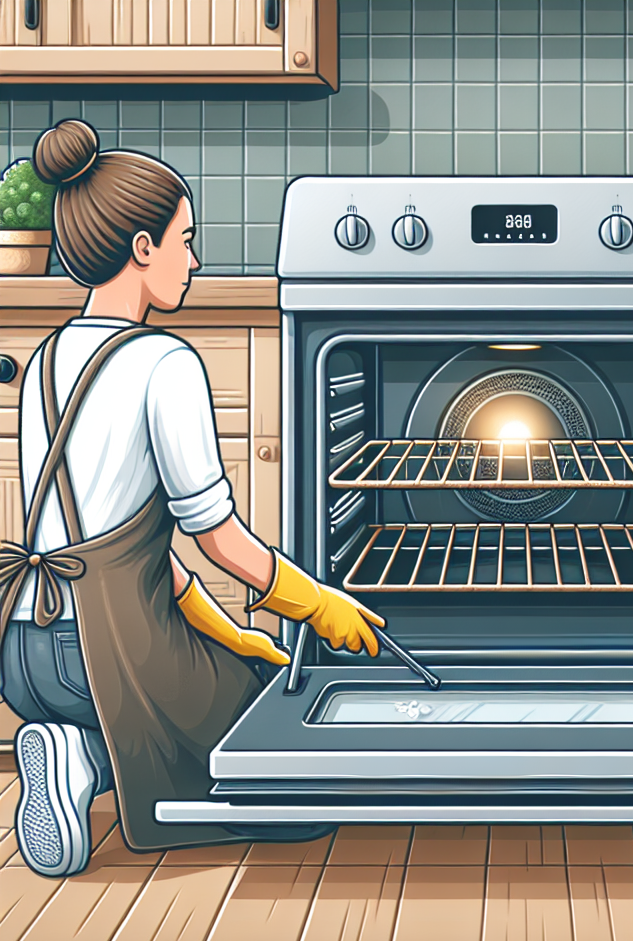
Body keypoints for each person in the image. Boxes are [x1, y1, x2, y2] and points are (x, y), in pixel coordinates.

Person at [0, 119, 385, 877]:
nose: (194, 260)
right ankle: (89, 762)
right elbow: (217, 540)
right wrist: (318, 604)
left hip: (22, 651)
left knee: (242, 674)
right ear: (142, 249)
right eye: (185, 240)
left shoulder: (46, 357)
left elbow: (118, 548)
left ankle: (75, 750)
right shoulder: (162, 362)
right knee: (296, 776)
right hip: (103, 658)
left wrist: (230, 632)